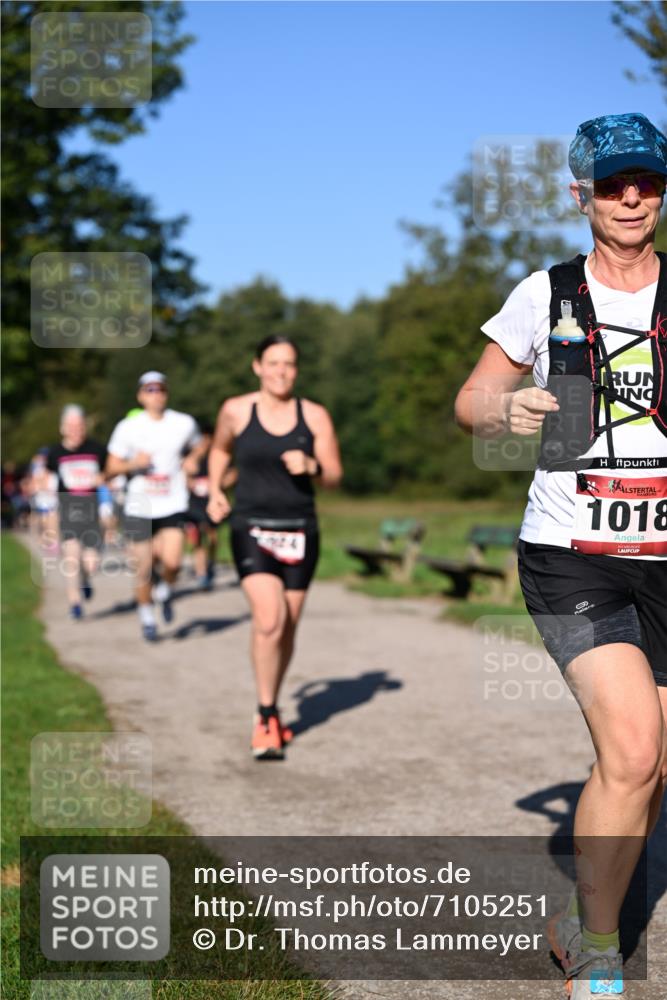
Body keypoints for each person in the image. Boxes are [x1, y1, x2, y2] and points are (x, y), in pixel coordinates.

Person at [455, 113, 667, 999]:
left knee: (651, 762)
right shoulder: (542, 295)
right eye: (612, 183)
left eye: (645, 182)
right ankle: (596, 946)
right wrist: (506, 415)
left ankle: (579, 912)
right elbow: (471, 401)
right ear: (580, 193)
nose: (630, 198)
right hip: (572, 554)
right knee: (631, 752)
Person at [207, 335, 343, 760]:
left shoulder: (314, 416)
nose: (281, 371)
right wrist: (214, 489)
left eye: (288, 364)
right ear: (257, 367)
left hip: (301, 529)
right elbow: (219, 449)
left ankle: (273, 701)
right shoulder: (235, 409)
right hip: (251, 526)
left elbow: (335, 475)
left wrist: (313, 466)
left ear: (296, 370)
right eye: (273, 363)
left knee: (286, 628)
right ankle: (266, 715)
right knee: (269, 619)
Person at [106, 372, 201, 641]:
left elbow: (201, 444)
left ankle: (166, 591)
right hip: (139, 505)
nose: (155, 394)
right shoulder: (127, 427)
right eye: (149, 390)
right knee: (144, 568)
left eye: (160, 389)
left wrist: (192, 459)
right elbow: (111, 468)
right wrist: (132, 464)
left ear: (166, 393)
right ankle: (147, 616)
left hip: (171, 502)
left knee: (173, 562)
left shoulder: (183, 423)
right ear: (140, 395)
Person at [45, 405, 107, 619]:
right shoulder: (54, 453)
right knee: (72, 558)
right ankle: (75, 604)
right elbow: (48, 482)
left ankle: (86, 580)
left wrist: (105, 479)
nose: (76, 430)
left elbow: (110, 473)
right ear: (63, 428)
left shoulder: (97, 450)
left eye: (79, 425)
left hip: (92, 512)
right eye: (71, 426)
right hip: (68, 512)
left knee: (91, 564)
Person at [183, 420, 237, 590]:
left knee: (212, 536)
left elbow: (234, 472)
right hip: (195, 504)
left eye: (208, 439)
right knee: (198, 537)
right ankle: (201, 573)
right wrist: (189, 481)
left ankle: (211, 563)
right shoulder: (192, 455)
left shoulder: (219, 456)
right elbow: (184, 471)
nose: (205, 442)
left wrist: (219, 484)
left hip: (213, 501)